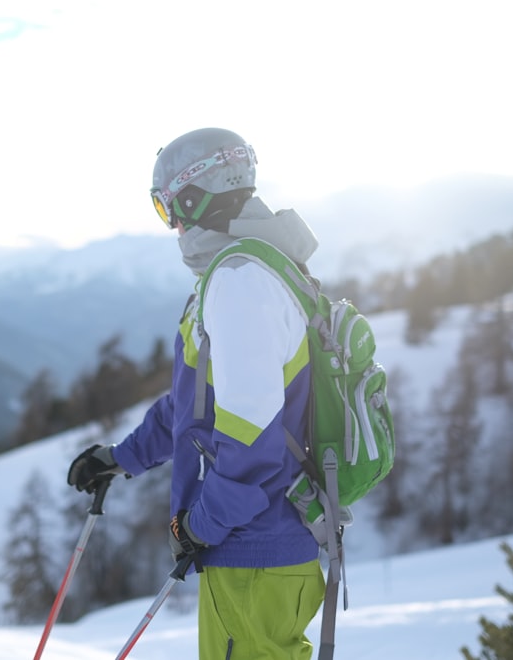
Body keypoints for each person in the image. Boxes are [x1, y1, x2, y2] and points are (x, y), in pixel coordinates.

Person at [68, 128, 324, 659]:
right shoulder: (250, 273)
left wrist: (199, 525)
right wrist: (119, 459)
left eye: (168, 210)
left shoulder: (238, 284)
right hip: (265, 554)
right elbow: (194, 409)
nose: (174, 226)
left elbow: (250, 437)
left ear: (192, 197)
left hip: (252, 553)